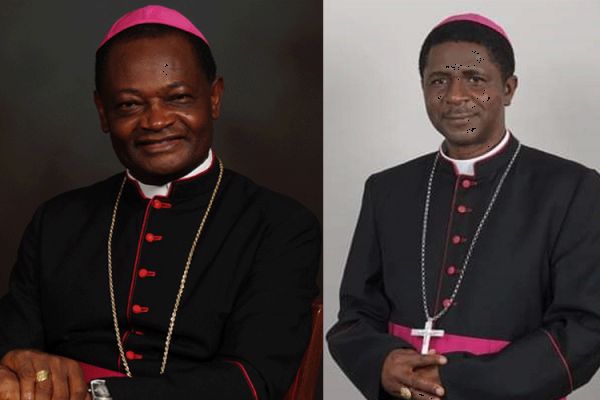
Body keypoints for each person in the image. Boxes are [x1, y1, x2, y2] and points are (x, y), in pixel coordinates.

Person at [0, 5, 320, 400]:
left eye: (179, 98)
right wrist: (19, 361)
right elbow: (11, 348)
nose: (155, 121)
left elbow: (253, 380)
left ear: (214, 98)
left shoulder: (280, 225)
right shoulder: (57, 220)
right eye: (129, 105)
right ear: (103, 112)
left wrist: (97, 394)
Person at [327, 13, 600, 400]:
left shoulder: (572, 188)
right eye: (439, 80)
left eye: (474, 78)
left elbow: (586, 326)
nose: (455, 96)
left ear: (508, 88)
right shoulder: (386, 189)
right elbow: (355, 315)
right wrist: (383, 363)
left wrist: (455, 384)